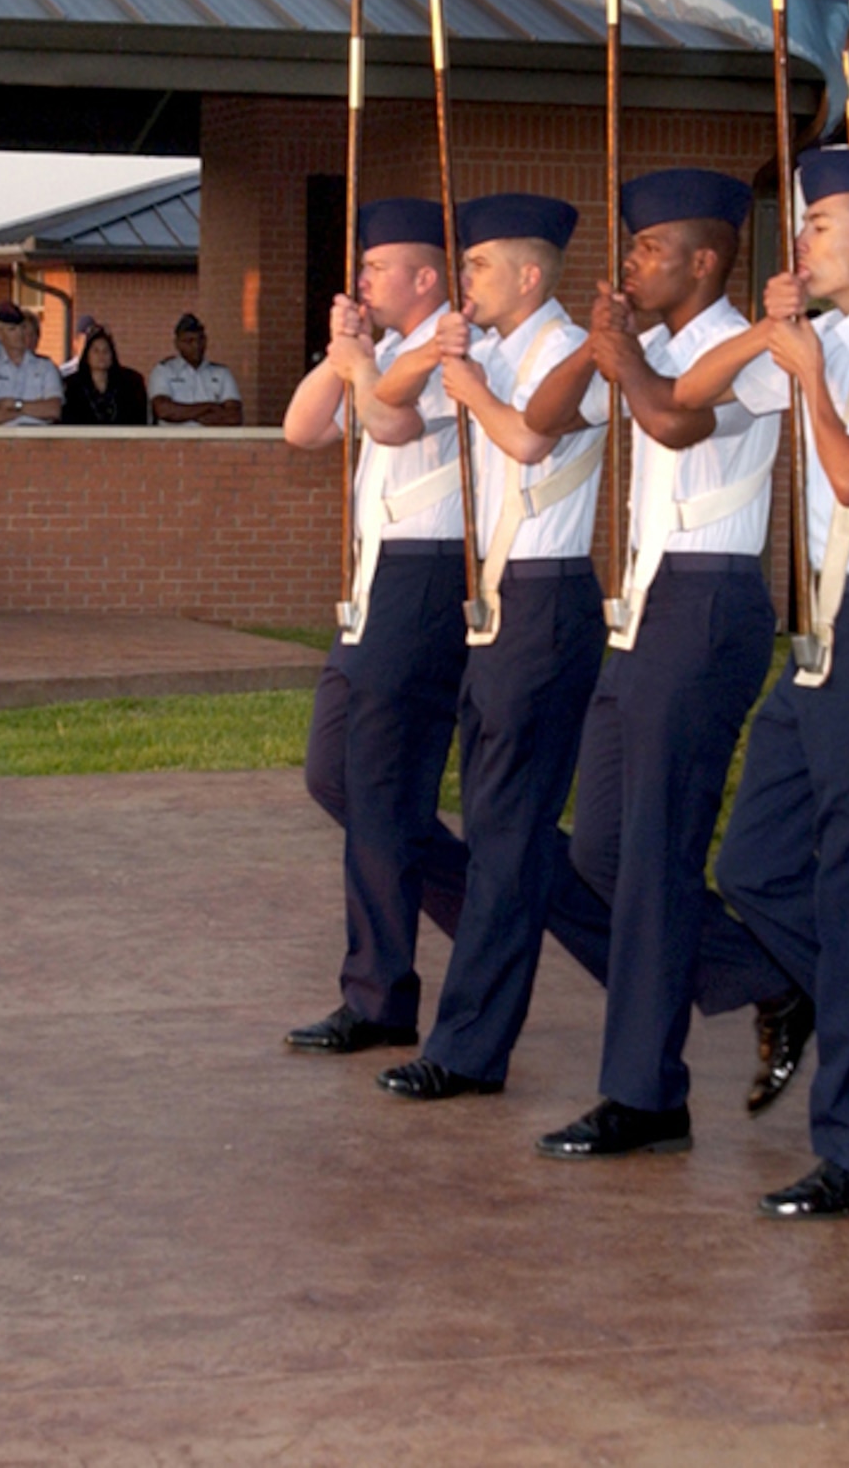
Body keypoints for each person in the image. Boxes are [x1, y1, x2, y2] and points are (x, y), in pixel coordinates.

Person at [670, 149, 849, 1216]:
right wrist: (763, 329)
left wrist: (807, 369)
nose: (803, 238)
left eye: (820, 223)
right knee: (755, 863)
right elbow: (681, 400)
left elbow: (847, 471)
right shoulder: (817, 333)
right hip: (820, 627)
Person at [521, 168, 781, 1161]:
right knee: (600, 852)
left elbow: (671, 416)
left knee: (657, 852)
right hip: (641, 603)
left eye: (645, 248)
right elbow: (545, 418)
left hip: (708, 596)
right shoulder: (650, 344)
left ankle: (644, 1090)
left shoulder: (743, 351)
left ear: (704, 259)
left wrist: (626, 359)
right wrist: (602, 344)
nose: (627, 263)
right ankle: (766, 972)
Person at [362, 193, 607, 1101]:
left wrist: (474, 390)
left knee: (508, 837)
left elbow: (531, 438)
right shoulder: (488, 348)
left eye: (477, 266)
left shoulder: (572, 349)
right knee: (509, 834)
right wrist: (430, 354)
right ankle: (718, 966)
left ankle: (468, 1046)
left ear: (530, 276)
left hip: (545, 599)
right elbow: (383, 401)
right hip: (492, 605)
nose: (462, 282)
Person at [280, 197, 469, 1055]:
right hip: (374, 577)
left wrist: (362, 363)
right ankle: (494, 907)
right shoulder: (381, 351)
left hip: (426, 573)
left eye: (377, 266)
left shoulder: (456, 345)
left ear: (424, 277)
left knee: (381, 788)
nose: (362, 278)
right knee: (337, 775)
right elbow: (302, 429)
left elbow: (393, 421)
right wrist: (344, 354)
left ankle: (379, 992)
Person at [0, 304, 62, 426]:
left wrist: (15, 405)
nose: (20, 334)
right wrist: (29, 411)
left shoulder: (45, 367)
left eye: (23, 328)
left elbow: (53, 410)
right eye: (12, 329)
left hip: (38, 439)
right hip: (2, 440)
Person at [150, 313, 243, 426]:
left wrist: (185, 413)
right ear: (177, 344)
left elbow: (234, 417)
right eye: (189, 341)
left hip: (213, 442)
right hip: (174, 442)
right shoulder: (164, 371)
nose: (196, 345)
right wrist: (210, 407)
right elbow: (164, 411)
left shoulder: (222, 373)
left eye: (200, 340)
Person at [61, 327, 150, 426]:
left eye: (106, 351)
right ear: (87, 356)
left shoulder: (130, 384)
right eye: (96, 351)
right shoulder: (72, 386)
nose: (101, 355)